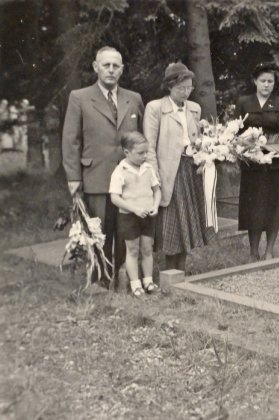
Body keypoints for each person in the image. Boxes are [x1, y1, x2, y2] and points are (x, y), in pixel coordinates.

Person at [62, 46, 144, 286]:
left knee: (126, 230)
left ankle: (124, 277)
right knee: (99, 231)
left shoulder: (134, 98)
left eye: (115, 66)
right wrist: (73, 177)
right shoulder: (79, 97)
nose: (110, 70)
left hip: (128, 180)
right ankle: (100, 281)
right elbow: (71, 140)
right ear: (95, 67)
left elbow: (141, 138)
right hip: (96, 176)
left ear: (122, 69)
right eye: (106, 65)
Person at [144, 62, 209, 271]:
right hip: (169, 172)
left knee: (187, 223)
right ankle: (170, 272)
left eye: (189, 88)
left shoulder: (194, 108)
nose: (186, 92)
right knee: (172, 224)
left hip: (191, 171)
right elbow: (149, 146)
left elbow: (199, 142)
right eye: (181, 88)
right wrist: (154, 178)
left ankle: (181, 270)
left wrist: (204, 158)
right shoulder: (155, 108)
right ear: (169, 86)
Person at [234, 62, 279, 261]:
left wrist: (268, 146)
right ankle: (253, 252)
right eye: (263, 81)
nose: (266, 85)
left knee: (273, 206)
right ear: (255, 81)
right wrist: (247, 146)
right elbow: (234, 131)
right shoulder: (244, 102)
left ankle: (269, 251)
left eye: (270, 81)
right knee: (254, 207)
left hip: (277, 164)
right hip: (252, 164)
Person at [109, 132, 161, 296]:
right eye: (140, 153)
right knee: (132, 250)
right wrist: (134, 209)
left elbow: (156, 190)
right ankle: (135, 284)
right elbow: (115, 198)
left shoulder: (148, 168)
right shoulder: (120, 171)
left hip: (148, 216)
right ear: (127, 152)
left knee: (147, 248)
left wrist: (155, 206)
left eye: (146, 152)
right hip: (129, 217)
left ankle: (148, 281)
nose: (144, 156)